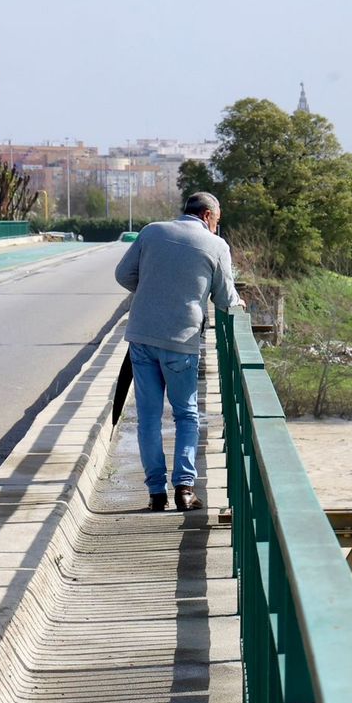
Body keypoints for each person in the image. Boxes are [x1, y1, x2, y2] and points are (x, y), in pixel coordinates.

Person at [114, 192, 242, 511]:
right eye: (218, 220)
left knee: (148, 417)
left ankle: (156, 492)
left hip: (142, 336)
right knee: (186, 414)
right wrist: (236, 304)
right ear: (209, 216)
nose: (217, 226)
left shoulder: (153, 231)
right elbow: (225, 298)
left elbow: (123, 275)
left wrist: (154, 292)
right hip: (181, 340)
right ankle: (184, 489)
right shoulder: (216, 246)